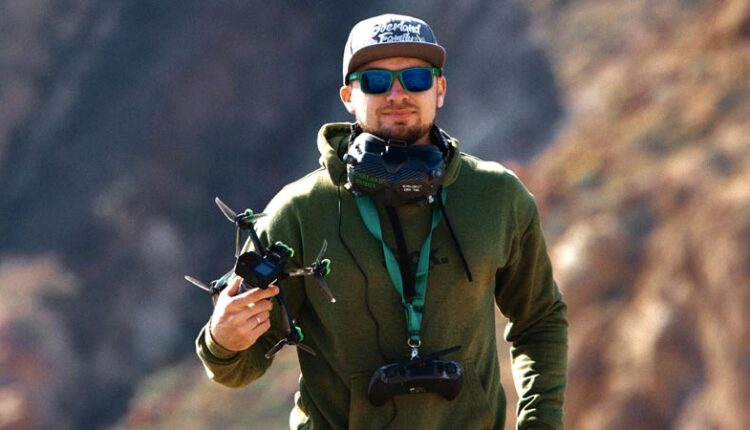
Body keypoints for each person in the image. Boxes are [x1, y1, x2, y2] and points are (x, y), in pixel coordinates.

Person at [196, 13, 567, 430]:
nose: (397, 94)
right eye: (375, 81)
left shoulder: (497, 196)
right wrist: (222, 341)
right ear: (348, 96)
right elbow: (237, 368)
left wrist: (541, 423)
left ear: (440, 89)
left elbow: (539, 319)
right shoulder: (298, 211)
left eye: (416, 79)